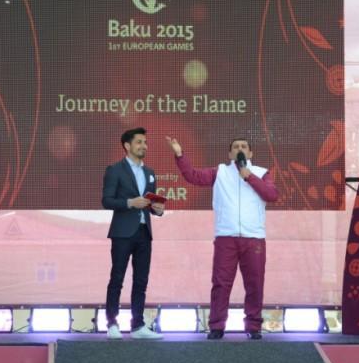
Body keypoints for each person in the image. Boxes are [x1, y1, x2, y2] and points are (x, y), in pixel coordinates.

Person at [166, 136, 278, 340]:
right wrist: (180, 154)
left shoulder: (261, 173)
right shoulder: (220, 172)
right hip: (226, 237)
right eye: (235, 147)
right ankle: (217, 326)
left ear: (250, 153)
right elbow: (192, 176)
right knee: (221, 283)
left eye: (244, 146)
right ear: (229, 154)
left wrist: (249, 176)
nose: (240, 149)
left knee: (254, 283)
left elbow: (272, 195)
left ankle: (253, 326)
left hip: (254, 238)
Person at [102, 127, 165, 340]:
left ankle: (138, 325)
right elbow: (106, 200)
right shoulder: (115, 170)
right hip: (122, 233)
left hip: (144, 232)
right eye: (139, 142)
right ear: (127, 146)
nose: (143, 146)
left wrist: (157, 210)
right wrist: (130, 203)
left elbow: (151, 204)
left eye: (145, 142)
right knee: (117, 278)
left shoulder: (150, 173)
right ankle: (112, 323)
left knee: (141, 280)